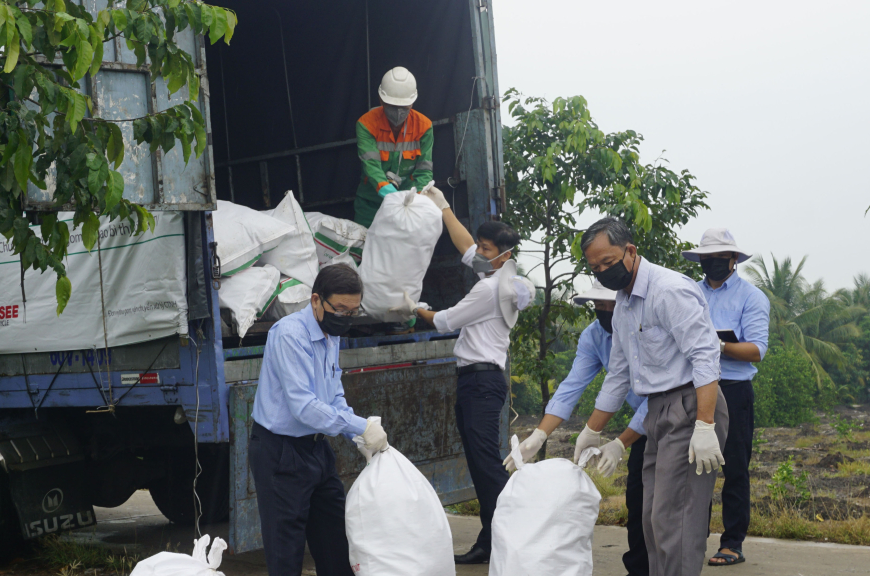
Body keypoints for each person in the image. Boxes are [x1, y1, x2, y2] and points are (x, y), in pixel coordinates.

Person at [575, 217, 729, 576]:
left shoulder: (668, 290)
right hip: (655, 411)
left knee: (674, 519)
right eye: (595, 268)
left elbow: (705, 356)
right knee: (652, 518)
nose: (602, 272)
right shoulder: (624, 303)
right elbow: (618, 374)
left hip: (691, 406)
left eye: (608, 263)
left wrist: (704, 426)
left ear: (630, 251)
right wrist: (592, 431)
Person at [392, 187, 534, 565]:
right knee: (480, 464)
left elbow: (444, 321)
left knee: (487, 465)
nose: (480, 254)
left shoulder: (490, 290)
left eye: (488, 250)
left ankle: (511, 539)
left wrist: (416, 307)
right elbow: (466, 246)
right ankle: (491, 542)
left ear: (504, 256)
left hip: (482, 383)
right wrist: (443, 208)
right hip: (476, 381)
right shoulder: (498, 276)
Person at [249, 264, 390, 576]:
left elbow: (332, 392)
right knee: (286, 552)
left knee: (336, 544)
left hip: (316, 449)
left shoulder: (330, 332)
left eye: (352, 312)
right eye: (340, 309)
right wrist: (358, 426)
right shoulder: (289, 335)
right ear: (316, 300)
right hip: (280, 454)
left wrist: (357, 433)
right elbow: (304, 406)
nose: (345, 318)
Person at [506, 280, 651, 576]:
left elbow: (660, 399)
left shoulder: (646, 331)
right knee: (637, 499)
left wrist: (620, 442)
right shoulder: (594, 336)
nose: (605, 311)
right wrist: (538, 435)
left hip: (677, 414)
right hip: (644, 422)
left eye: (611, 304)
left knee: (668, 503)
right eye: (599, 306)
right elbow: (571, 387)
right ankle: (640, 569)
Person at [681, 229, 770, 567]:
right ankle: (692, 538)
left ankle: (732, 542)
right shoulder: (689, 293)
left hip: (732, 390)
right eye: (707, 258)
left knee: (733, 467)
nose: (712, 263)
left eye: (719, 257)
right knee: (693, 465)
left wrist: (718, 346)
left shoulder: (751, 297)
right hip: (693, 387)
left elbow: (756, 350)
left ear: (733, 259)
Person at [354, 66, 434, 228]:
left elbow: (424, 170)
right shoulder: (366, 124)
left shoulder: (424, 126)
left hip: (407, 204)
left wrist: (415, 199)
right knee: (363, 246)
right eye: (392, 106)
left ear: (412, 103)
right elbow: (371, 165)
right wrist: (388, 193)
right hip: (370, 204)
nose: (398, 112)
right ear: (381, 100)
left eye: (404, 107)